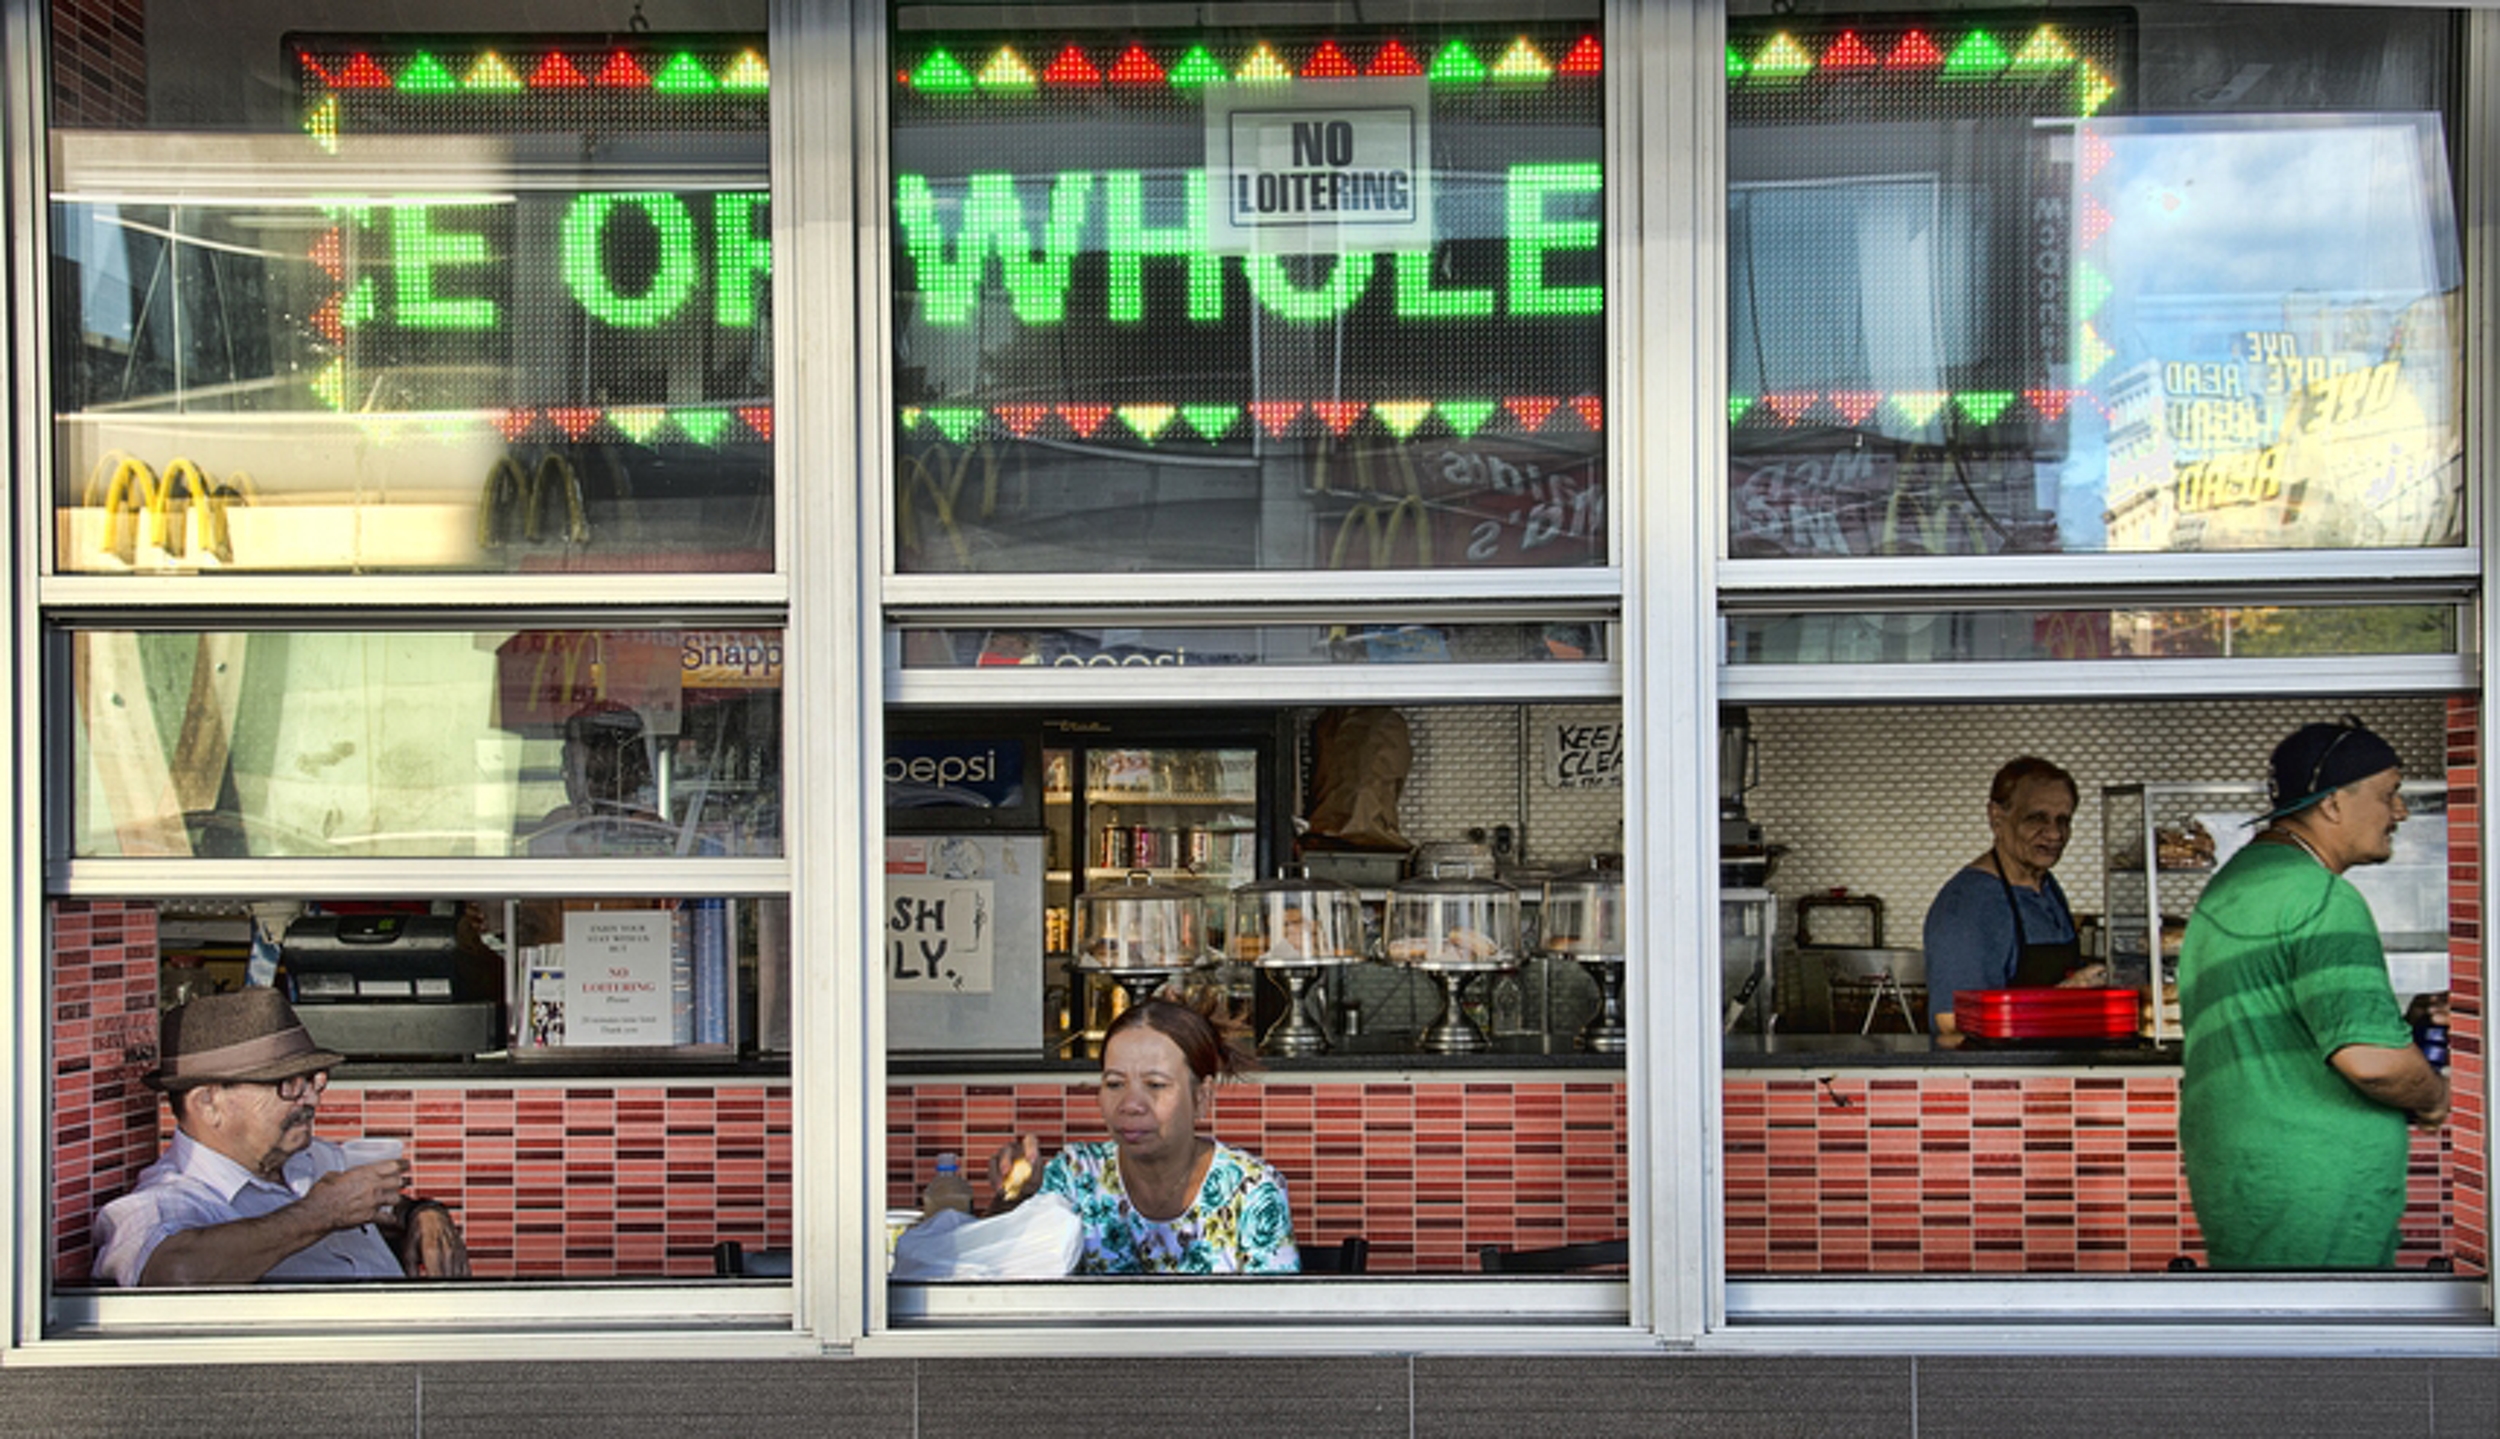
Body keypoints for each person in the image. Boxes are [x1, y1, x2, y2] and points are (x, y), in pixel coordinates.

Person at [2178, 719, 2449, 1270]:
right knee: (2327, 1352)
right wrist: (2433, 1095)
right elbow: (2372, 1062)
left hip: (2243, 1177)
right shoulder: (2323, 897)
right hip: (2314, 1187)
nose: (2400, 813)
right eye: (2388, 794)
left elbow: (2275, 1017)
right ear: (2331, 804)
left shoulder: (2232, 885)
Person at [93, 989, 469, 1286]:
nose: (311, 1097)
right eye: (287, 1084)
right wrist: (320, 1214)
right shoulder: (169, 1202)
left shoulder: (313, 1158)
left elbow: (379, 1206)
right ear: (209, 1103)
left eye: (313, 1079)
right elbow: (173, 1275)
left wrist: (421, 1213)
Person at [987, 994, 1299, 1274]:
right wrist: (1015, 1194)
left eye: (1155, 1085)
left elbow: (1279, 1324)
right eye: (1114, 1084)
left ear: (1201, 1097)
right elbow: (1001, 1274)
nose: (1131, 1105)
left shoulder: (1251, 1192)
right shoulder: (1075, 1177)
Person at [1920, 756, 2107, 1046]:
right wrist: (2065, 997)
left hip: (2056, 1074)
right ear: (1997, 818)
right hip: (1999, 1081)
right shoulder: (1968, 905)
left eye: (2063, 820)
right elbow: (1952, 1025)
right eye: (2037, 818)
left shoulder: (2045, 886)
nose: (2055, 834)